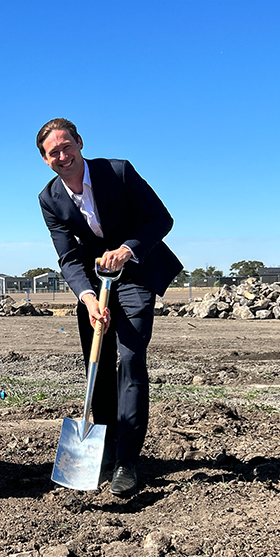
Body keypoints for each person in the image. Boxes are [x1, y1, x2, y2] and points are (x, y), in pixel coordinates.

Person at [36, 118, 182, 498]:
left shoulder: (117, 172)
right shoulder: (49, 198)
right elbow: (67, 257)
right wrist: (86, 298)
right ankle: (100, 448)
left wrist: (126, 249)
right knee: (96, 365)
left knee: (130, 360)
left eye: (67, 146)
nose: (63, 156)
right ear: (45, 159)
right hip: (93, 286)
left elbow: (160, 219)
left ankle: (126, 461)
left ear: (80, 143)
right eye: (54, 153)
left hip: (135, 273)